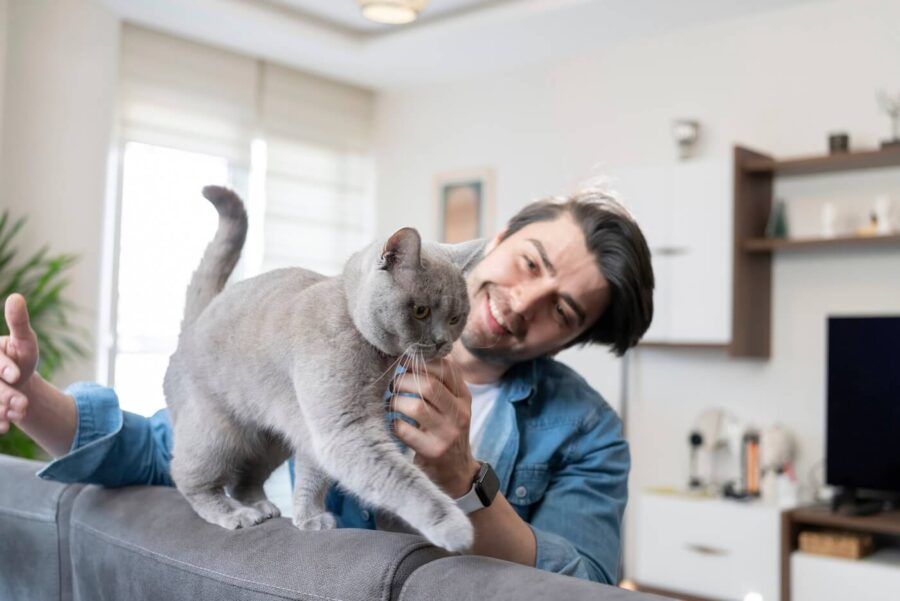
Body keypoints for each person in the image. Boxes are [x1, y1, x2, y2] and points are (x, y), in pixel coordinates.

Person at [0, 186, 653, 584]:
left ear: (572, 339)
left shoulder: (585, 431)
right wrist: (32, 400)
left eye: (563, 310)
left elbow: (583, 583)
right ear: (498, 239)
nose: (521, 301)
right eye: (530, 263)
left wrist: (466, 481)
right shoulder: (334, 327)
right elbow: (163, 449)